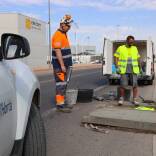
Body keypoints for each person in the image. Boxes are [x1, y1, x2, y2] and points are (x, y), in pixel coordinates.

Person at [51, 14, 73, 113]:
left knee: (64, 84)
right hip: (60, 66)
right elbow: (58, 51)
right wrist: (62, 65)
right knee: (60, 84)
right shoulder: (58, 35)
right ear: (62, 24)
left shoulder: (63, 34)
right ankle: (60, 105)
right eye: (68, 26)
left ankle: (62, 102)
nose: (69, 28)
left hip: (66, 65)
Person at [114, 35, 141, 106]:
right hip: (123, 70)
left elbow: (138, 58)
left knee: (135, 85)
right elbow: (116, 57)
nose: (131, 43)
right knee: (123, 85)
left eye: (132, 42)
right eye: (130, 42)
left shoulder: (135, 48)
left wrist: (140, 68)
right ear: (127, 41)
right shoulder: (121, 48)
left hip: (134, 70)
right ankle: (121, 99)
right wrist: (117, 67)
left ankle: (135, 99)